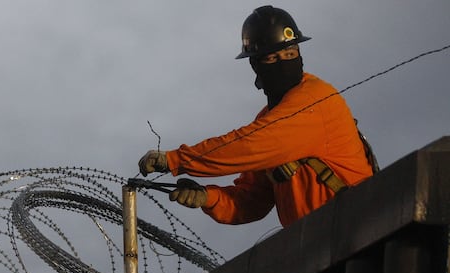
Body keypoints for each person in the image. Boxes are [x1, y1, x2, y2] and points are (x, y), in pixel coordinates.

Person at [138, 5, 375, 228]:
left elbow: (248, 146)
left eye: (290, 53)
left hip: (358, 232)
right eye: (271, 58)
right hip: (316, 248)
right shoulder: (269, 118)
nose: (283, 62)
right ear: (256, 65)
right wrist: (209, 198)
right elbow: (251, 201)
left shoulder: (315, 99)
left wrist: (177, 160)